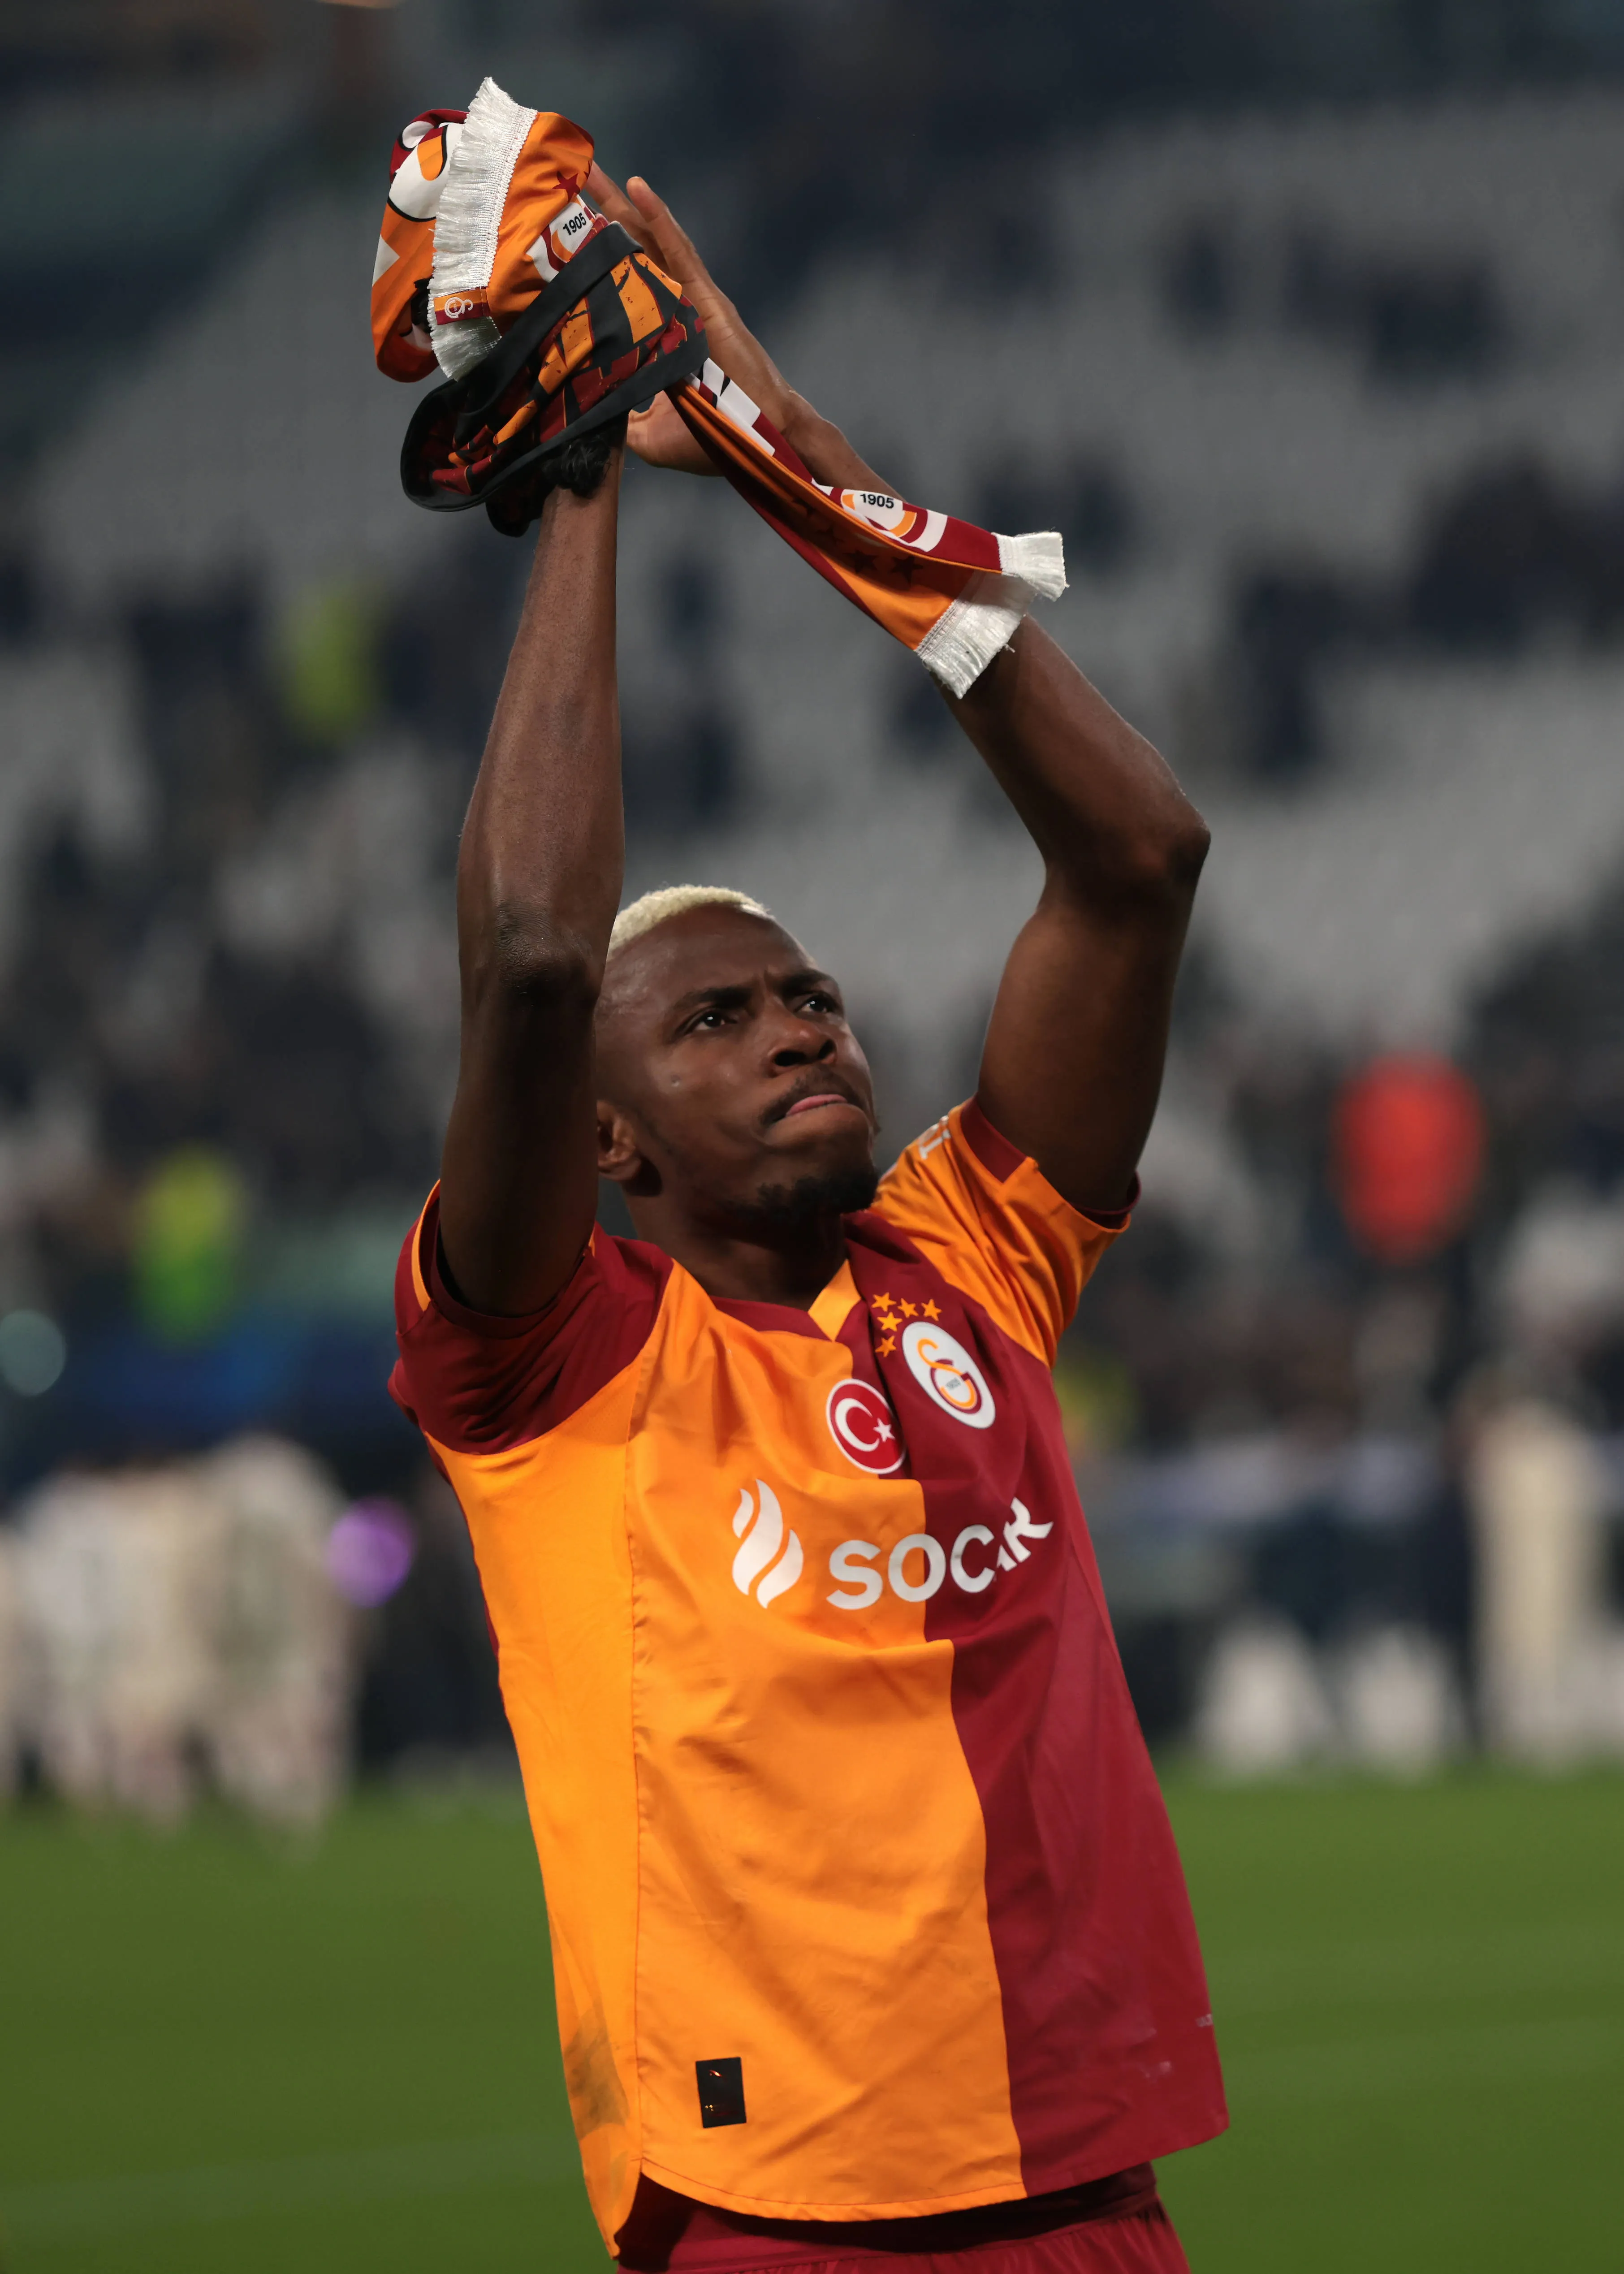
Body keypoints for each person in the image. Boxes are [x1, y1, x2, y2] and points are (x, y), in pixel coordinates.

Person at [390, 168, 1225, 2274]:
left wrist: (798, 466)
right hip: (780, 2217)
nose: (801, 1030)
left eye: (814, 996)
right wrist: (579, 463)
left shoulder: (974, 1256)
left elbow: (1140, 858)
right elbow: (533, 956)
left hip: (1089, 2189)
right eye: (722, 1019)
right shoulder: (544, 1360)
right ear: (605, 1138)